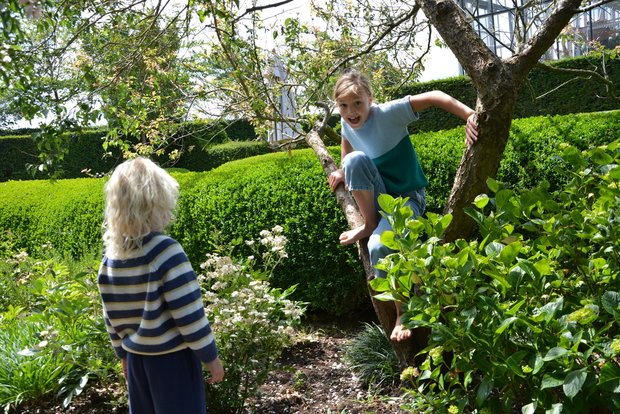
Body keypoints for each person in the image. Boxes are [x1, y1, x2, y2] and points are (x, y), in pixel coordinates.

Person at [327, 71, 478, 342]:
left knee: (379, 246)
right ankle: (370, 223)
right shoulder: (346, 119)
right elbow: (347, 138)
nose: (351, 112)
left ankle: (403, 310)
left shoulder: (388, 113)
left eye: (358, 103)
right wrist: (342, 167)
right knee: (353, 162)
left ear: (370, 99)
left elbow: (435, 96)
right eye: (344, 106)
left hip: (407, 198)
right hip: (378, 195)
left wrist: (470, 115)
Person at [97, 157, 224, 414]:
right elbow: (189, 315)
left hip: (136, 361)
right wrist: (211, 358)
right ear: (158, 202)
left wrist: (122, 354)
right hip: (172, 363)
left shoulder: (111, 258)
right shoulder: (165, 251)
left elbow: (111, 316)